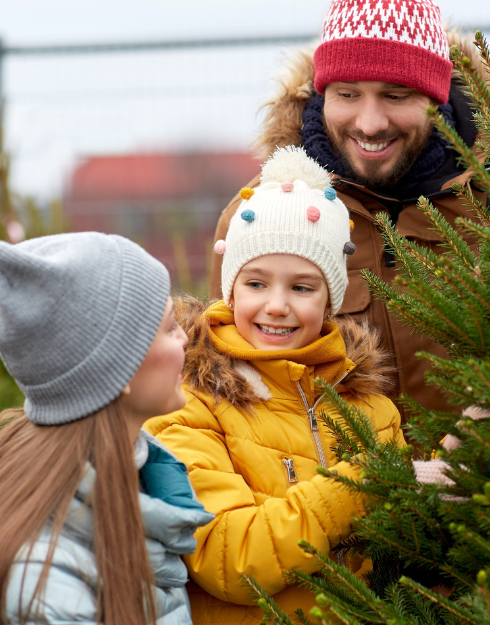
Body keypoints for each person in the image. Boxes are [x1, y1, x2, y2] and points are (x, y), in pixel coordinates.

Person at [209, 0, 490, 417]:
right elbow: (236, 390)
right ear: (321, 94)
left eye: (396, 96)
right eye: (348, 94)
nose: (370, 124)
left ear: (435, 98)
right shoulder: (262, 211)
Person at [147, 147, 405, 624]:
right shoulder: (189, 400)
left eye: (302, 287)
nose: (277, 306)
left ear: (331, 300)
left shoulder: (372, 408)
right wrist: (359, 483)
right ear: (230, 288)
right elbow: (231, 557)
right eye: (256, 284)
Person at [0, 232, 214, 625]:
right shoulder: (44, 580)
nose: (186, 337)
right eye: (168, 327)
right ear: (118, 367)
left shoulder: (132, 479)